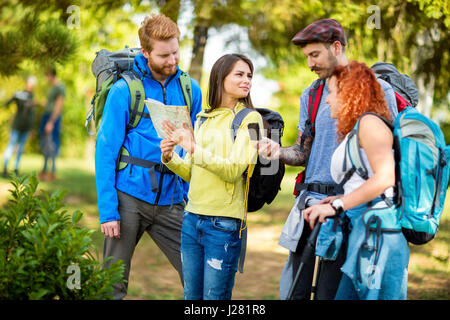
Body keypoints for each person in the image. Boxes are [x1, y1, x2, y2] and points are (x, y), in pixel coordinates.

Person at [256, 19, 398, 300]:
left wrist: (342, 203)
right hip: (311, 205)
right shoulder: (312, 93)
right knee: (293, 292)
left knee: (329, 293)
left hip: (351, 212)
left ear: (336, 47)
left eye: (315, 55)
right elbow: (303, 152)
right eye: (307, 56)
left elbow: (385, 163)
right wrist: (277, 151)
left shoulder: (376, 90)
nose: (309, 63)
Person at [95, 14, 202, 300]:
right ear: (146, 53)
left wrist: (189, 197)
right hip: (128, 197)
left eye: (176, 52)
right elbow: (105, 150)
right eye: (164, 55)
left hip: (173, 200)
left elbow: (196, 147)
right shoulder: (124, 90)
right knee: (111, 285)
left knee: (198, 275)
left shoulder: (191, 90)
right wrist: (108, 211)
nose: (172, 60)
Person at [160, 53, 263, 300]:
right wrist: (170, 157)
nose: (246, 80)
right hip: (192, 219)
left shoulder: (251, 119)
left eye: (249, 75)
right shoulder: (202, 118)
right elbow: (194, 174)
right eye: (239, 74)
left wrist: (193, 147)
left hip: (224, 224)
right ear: (220, 77)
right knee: (191, 297)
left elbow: (233, 170)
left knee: (214, 300)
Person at [303, 61, 409, 299]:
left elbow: (385, 178)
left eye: (332, 92)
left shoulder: (370, 123)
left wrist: (337, 205)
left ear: (350, 92)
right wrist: (341, 198)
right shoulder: (359, 127)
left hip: (379, 235)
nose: (327, 100)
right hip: (365, 230)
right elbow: (368, 180)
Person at [2, 76, 37, 177]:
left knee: (20, 149)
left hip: (26, 128)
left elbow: (32, 115)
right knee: (11, 146)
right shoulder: (20, 94)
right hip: (17, 126)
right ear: (27, 84)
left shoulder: (32, 98)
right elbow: (8, 103)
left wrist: (32, 129)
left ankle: (16, 169)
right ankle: (5, 168)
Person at [38, 67, 65, 182]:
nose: (46, 77)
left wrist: (51, 122)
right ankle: (44, 170)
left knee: (52, 144)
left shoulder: (60, 87)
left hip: (52, 118)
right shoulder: (52, 87)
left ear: (51, 74)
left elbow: (59, 105)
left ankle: (52, 172)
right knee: (44, 144)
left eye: (47, 75)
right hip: (46, 116)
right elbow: (50, 103)